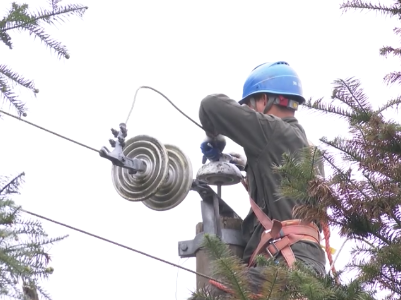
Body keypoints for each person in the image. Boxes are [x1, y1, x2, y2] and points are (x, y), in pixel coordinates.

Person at [197, 61, 326, 297]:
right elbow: (283, 191)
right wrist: (249, 167)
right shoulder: (310, 150)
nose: (249, 111)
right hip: (310, 268)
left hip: (285, 263)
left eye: (249, 105)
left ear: (264, 99)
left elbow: (210, 106)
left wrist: (213, 135)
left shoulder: (271, 131)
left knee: (212, 294)